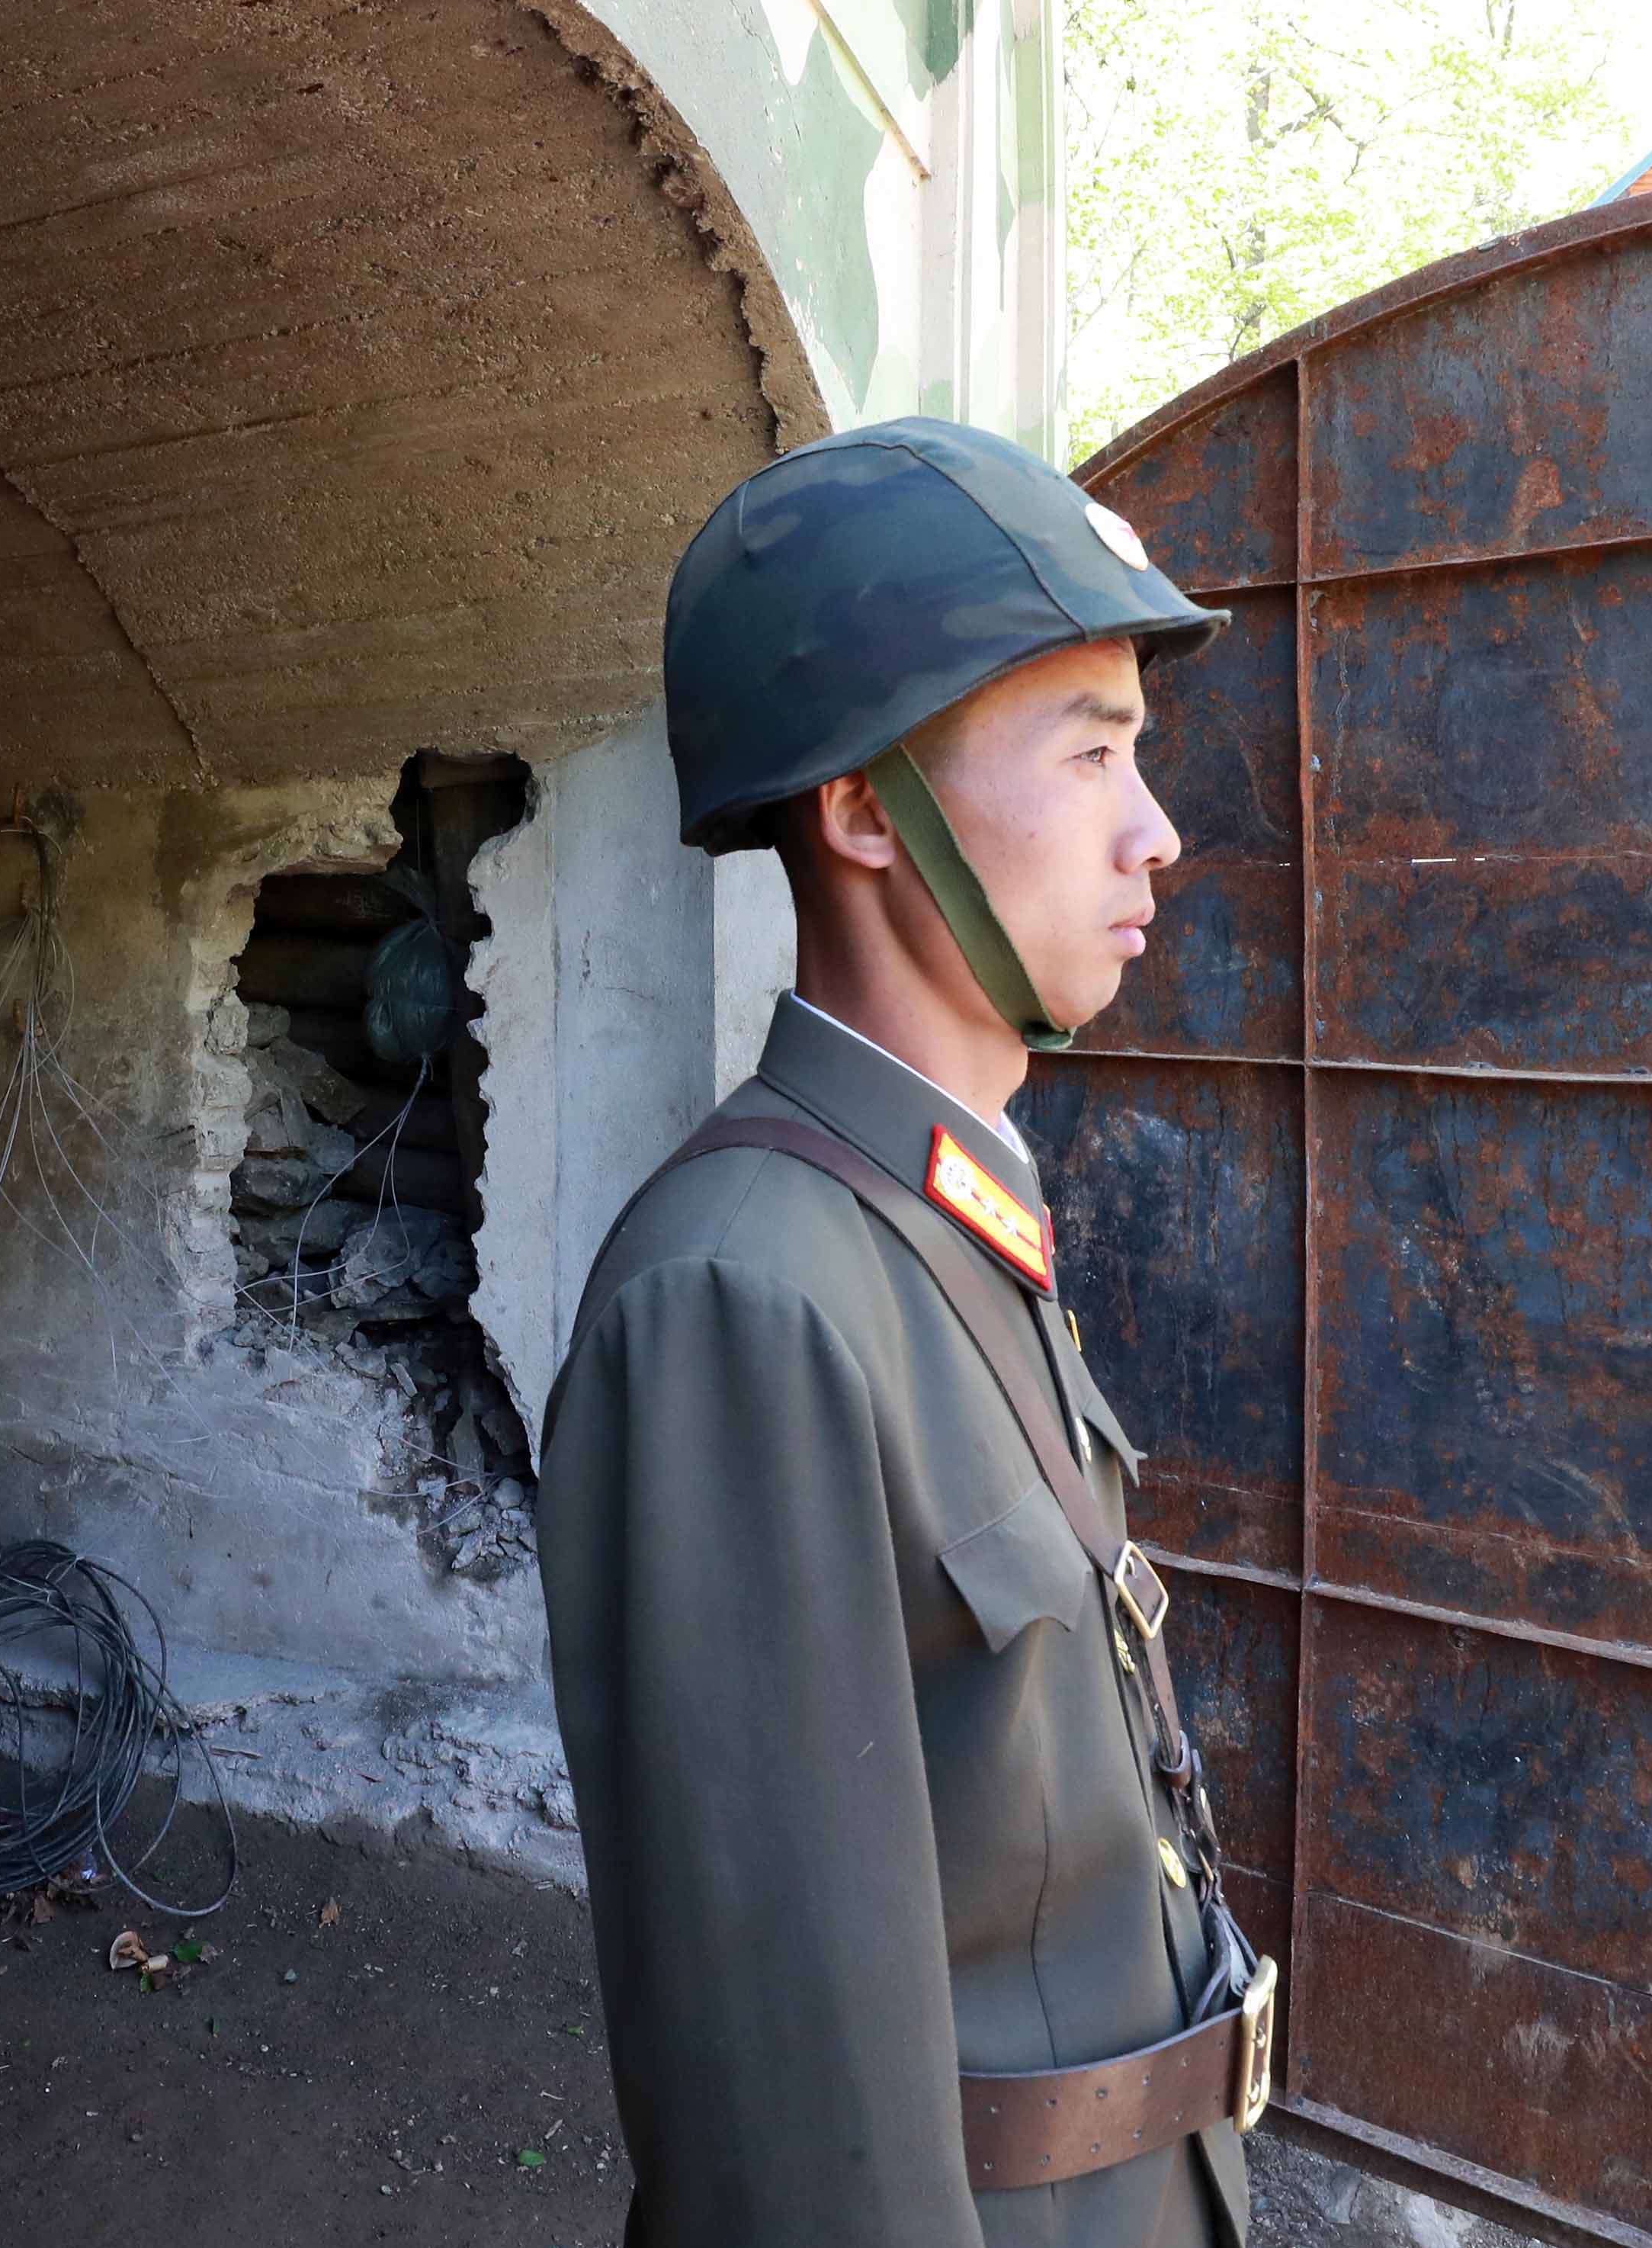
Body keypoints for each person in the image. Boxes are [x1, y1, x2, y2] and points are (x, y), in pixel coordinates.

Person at [540, 419, 1265, 2248]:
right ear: (864, 809)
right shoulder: (739, 1293)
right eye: (1090, 753)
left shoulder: (941, 1213)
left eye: (1139, 756)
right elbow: (791, 2124)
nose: (1153, 830)